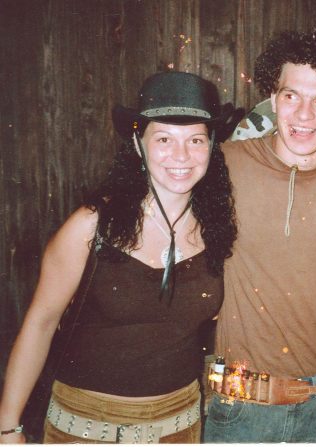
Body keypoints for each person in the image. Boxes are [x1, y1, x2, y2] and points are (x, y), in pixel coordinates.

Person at [0, 71, 236, 444]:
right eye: (164, 139)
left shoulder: (218, 229)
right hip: (85, 427)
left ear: (212, 147)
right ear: (138, 144)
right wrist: (7, 426)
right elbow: (40, 323)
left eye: (195, 140)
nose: (181, 155)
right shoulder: (91, 225)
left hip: (181, 426)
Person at [203, 31, 316, 443]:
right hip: (240, 404)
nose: (303, 114)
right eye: (291, 96)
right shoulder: (226, 163)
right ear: (273, 97)